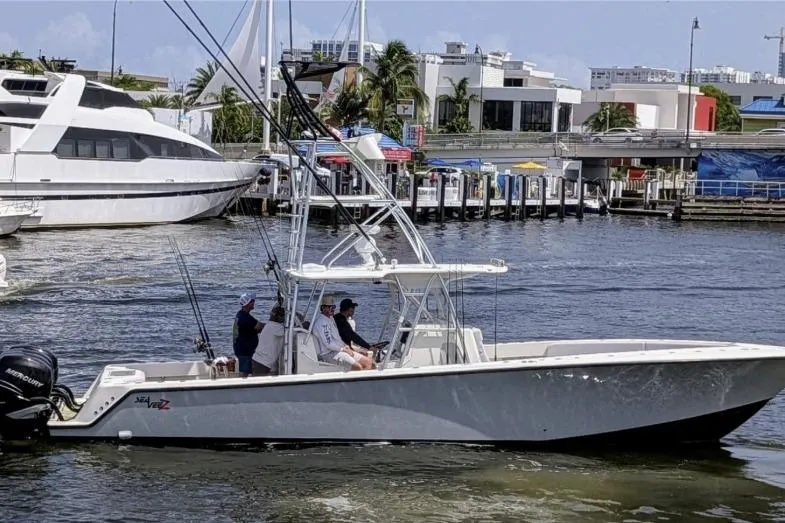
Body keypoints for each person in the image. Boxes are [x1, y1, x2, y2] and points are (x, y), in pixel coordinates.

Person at [312, 296, 373, 371]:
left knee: (368, 362)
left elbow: (337, 338)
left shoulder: (330, 318)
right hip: (328, 354)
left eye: (333, 306)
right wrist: (343, 349)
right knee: (358, 367)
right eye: (330, 307)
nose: (333, 309)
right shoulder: (322, 323)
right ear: (323, 308)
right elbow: (328, 344)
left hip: (339, 349)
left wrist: (346, 347)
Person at [232, 292, 264, 377]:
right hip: (244, 351)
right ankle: (241, 388)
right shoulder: (245, 318)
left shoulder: (241, 315)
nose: (254, 303)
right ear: (247, 303)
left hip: (243, 349)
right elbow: (260, 327)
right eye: (252, 301)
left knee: (245, 371)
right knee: (244, 373)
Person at [252, 305, 286, 376]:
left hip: (258, 360)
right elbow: (290, 332)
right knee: (259, 385)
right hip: (262, 363)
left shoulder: (269, 325)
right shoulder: (277, 328)